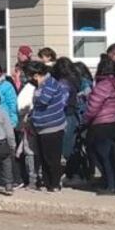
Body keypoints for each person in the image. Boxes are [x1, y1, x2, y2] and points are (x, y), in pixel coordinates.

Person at [82, 55, 115, 197]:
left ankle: (110, 185)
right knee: (111, 155)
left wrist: (85, 120)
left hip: (102, 123)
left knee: (103, 156)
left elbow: (93, 107)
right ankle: (114, 182)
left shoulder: (102, 86)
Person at [28, 61, 68, 192]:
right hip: (41, 127)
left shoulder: (50, 83)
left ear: (36, 75)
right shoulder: (42, 85)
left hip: (53, 126)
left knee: (53, 158)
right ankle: (47, 182)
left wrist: (36, 95)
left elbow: (44, 99)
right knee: (44, 158)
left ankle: (55, 184)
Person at [16, 69, 39, 190]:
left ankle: (33, 180)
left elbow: (21, 106)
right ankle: (34, 179)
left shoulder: (30, 88)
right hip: (32, 122)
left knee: (30, 152)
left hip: (29, 122)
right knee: (31, 152)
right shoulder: (32, 88)